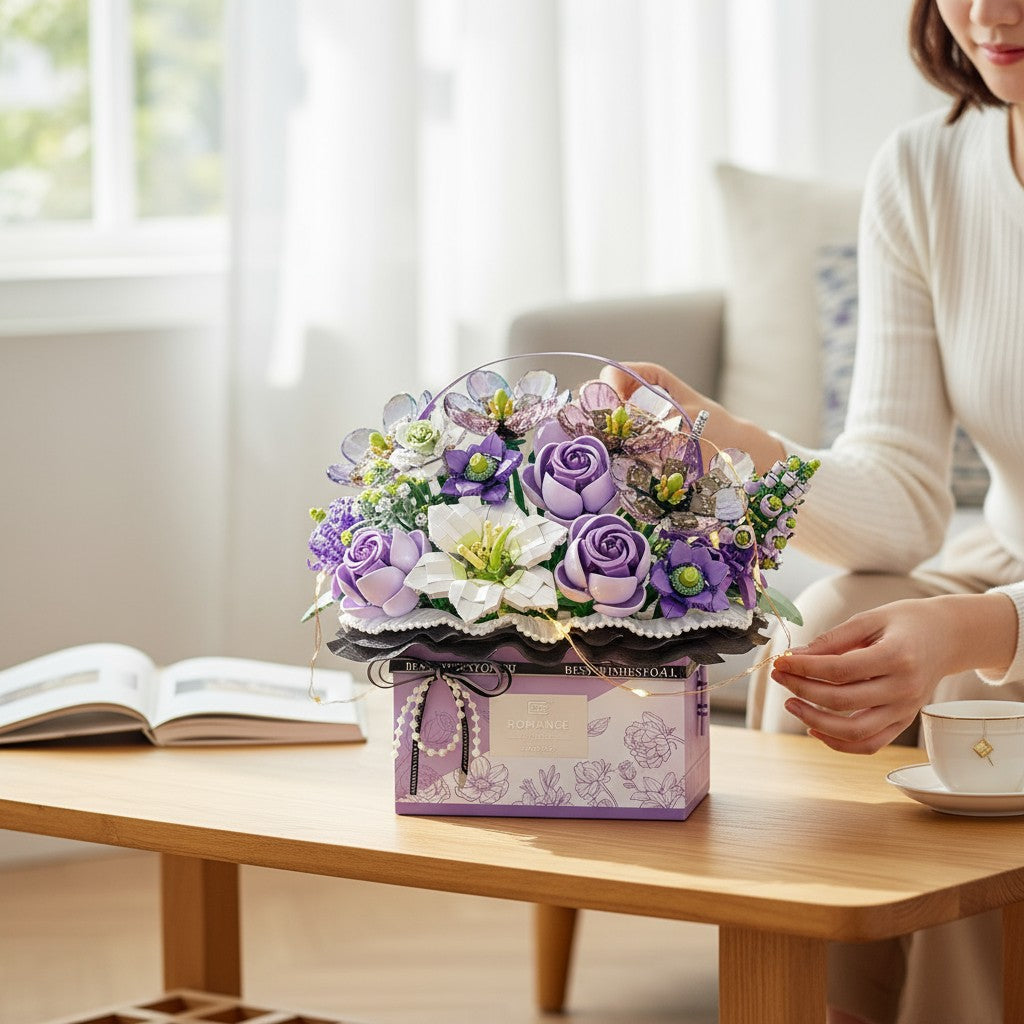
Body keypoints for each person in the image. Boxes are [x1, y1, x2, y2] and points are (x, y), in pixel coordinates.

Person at [601, 1, 1024, 1021]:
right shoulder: (926, 169)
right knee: (829, 628)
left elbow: (967, 626)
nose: (987, 12)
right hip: (1000, 556)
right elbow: (903, 503)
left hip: (1007, 607)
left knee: (972, 709)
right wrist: (722, 442)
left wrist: (977, 625)